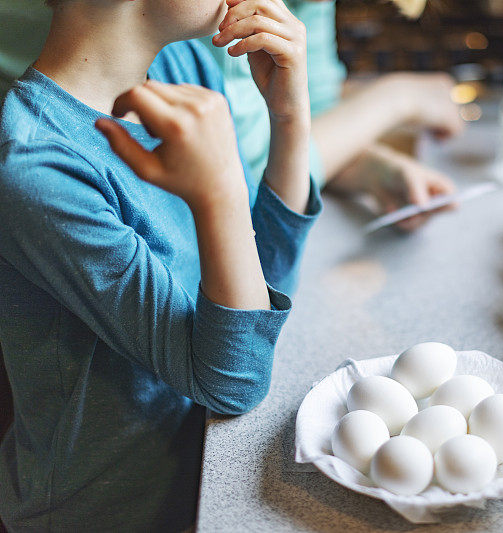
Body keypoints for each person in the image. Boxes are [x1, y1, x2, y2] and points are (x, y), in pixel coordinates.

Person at [0, 0, 319, 529]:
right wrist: (218, 192)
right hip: (111, 513)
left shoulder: (179, 73)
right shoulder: (37, 168)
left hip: (206, 477)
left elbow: (257, 298)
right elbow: (232, 381)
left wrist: (290, 117)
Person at [0, 0, 465, 231]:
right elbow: (238, 177)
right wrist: (394, 99)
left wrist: (363, 165)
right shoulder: (173, 30)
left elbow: (301, 102)